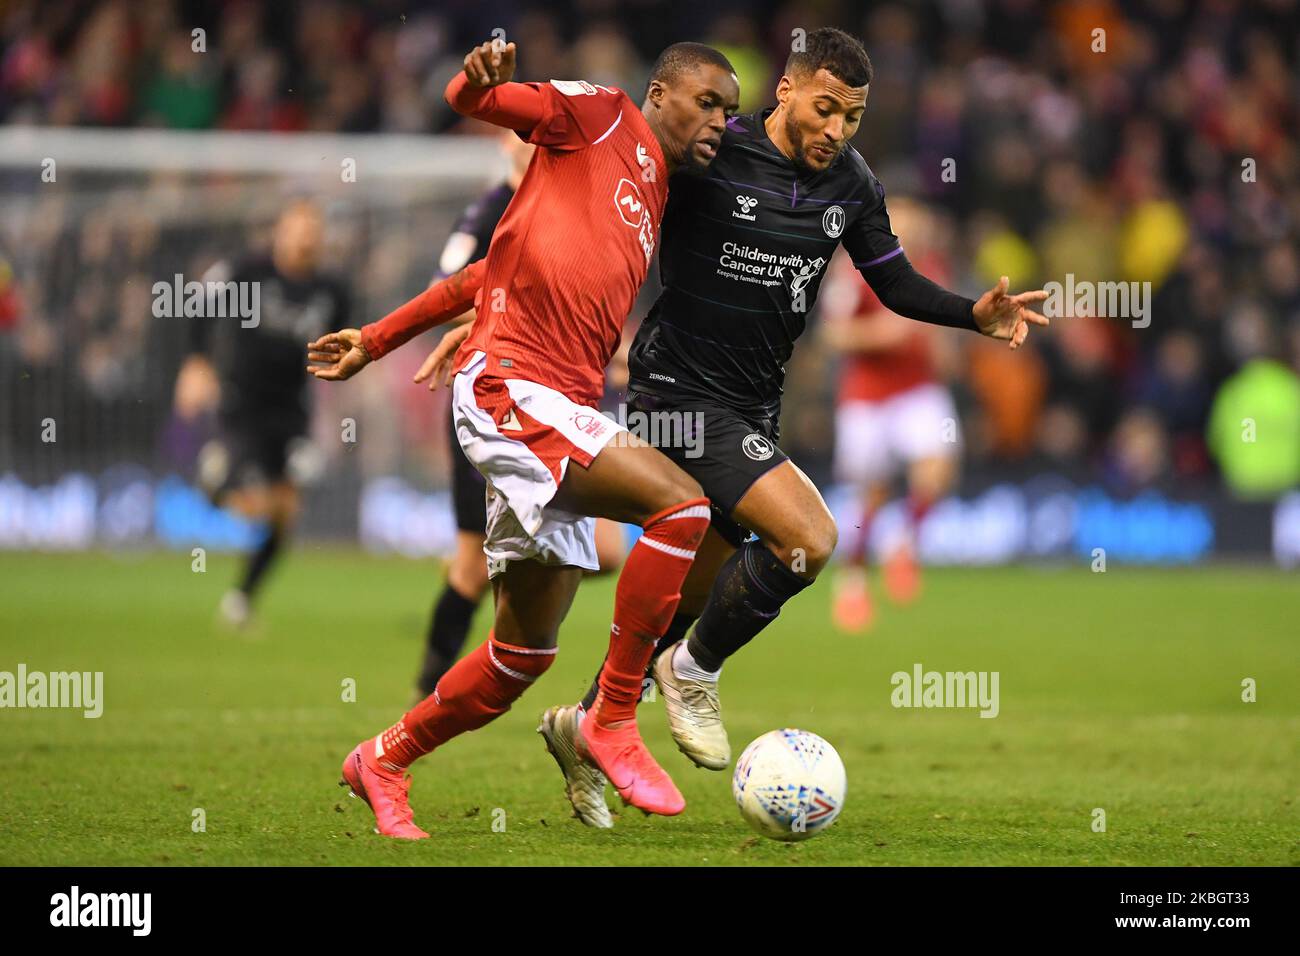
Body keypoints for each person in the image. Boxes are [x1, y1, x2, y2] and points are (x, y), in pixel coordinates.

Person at [428, 28, 1048, 826]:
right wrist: (500, 307)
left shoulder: (852, 185)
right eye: (824, 109)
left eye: (852, 119)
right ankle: (695, 674)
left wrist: (972, 314)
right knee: (808, 540)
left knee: (680, 601)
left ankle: (585, 726)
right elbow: (594, 225)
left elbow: (890, 280)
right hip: (676, 396)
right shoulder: (713, 152)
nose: (836, 131)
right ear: (785, 92)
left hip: (754, 405)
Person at [305, 38, 740, 837]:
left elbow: (484, 273)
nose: (719, 120)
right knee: (684, 511)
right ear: (660, 93)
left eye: (730, 112)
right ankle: (612, 716)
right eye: (708, 101)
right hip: (511, 387)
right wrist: (478, 88)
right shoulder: (602, 116)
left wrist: (376, 336)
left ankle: (383, 758)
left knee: (523, 654)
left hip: (561, 407)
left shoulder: (654, 196)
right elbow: (480, 105)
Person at [411, 133, 627, 701]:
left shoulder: (572, 207)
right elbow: (445, 291)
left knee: (605, 553)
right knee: (469, 570)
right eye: (524, 134)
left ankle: (506, 621)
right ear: (508, 144)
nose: (538, 145)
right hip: (495, 401)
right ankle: (425, 694)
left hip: (558, 400)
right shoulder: (487, 213)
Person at [175, 199, 350, 630]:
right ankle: (217, 484)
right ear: (280, 232)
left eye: (314, 228)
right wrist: (197, 362)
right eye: (299, 227)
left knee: (286, 512)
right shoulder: (248, 271)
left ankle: (240, 600)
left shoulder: (332, 290)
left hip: (291, 407)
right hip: (242, 400)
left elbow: (341, 346)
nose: (307, 236)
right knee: (260, 502)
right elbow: (198, 301)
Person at [818, 198, 963, 631]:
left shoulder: (932, 264)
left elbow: (940, 332)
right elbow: (832, 335)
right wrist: (883, 334)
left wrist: (946, 350)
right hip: (866, 396)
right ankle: (853, 581)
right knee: (872, 496)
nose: (913, 225)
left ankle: (903, 542)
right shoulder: (854, 269)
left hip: (918, 388)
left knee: (938, 470)